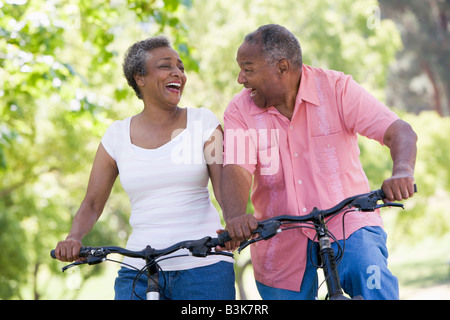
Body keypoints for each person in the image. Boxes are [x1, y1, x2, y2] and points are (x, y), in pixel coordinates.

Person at [221, 24, 417, 300]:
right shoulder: (240, 109)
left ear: (282, 67)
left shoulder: (337, 88)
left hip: (348, 221)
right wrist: (235, 217)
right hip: (279, 234)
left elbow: (399, 131)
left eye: (248, 69)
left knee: (370, 275)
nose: (241, 79)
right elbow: (236, 169)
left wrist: (403, 172)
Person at [54, 36, 235, 300]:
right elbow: (92, 203)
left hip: (204, 266)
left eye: (181, 67)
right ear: (140, 77)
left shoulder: (203, 121)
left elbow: (223, 186)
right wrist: (74, 237)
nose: (178, 73)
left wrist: (232, 224)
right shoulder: (116, 135)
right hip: (138, 269)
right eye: (166, 66)